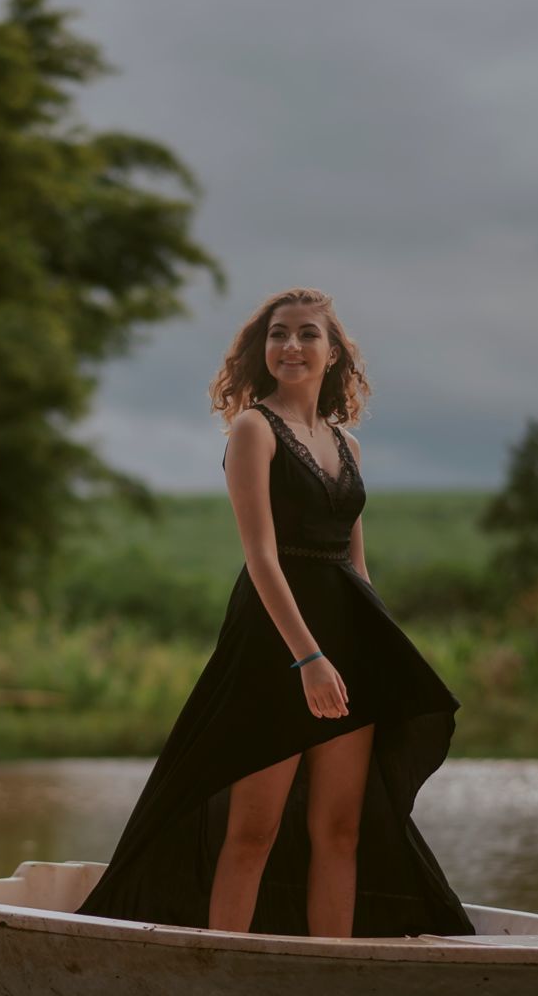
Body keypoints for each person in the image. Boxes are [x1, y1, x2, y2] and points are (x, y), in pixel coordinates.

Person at [74, 287, 474, 939]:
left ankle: (329, 973)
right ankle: (224, 964)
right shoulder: (253, 429)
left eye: (308, 333)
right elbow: (262, 558)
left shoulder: (347, 446)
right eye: (279, 334)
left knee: (339, 829)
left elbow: (357, 567)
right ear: (262, 352)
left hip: (344, 642)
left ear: (334, 351)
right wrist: (308, 659)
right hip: (275, 647)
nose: (292, 345)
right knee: (253, 828)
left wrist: (370, 659)